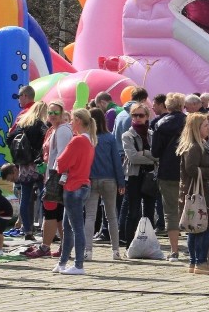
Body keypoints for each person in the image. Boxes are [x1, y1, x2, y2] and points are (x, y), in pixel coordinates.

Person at [177, 112, 209, 274]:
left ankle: (193, 262)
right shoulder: (195, 146)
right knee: (206, 225)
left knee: (195, 226)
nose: (208, 127)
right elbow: (191, 169)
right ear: (197, 128)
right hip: (199, 192)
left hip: (200, 191)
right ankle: (201, 262)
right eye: (205, 125)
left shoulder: (201, 143)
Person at [53, 108, 97, 275]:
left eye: (72, 120)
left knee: (76, 227)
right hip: (82, 185)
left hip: (74, 187)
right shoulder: (89, 141)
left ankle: (78, 265)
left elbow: (61, 162)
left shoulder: (78, 141)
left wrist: (60, 163)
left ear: (78, 120)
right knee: (68, 225)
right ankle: (63, 262)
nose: (71, 123)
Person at [26, 101, 70, 258]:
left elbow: (63, 156)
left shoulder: (63, 130)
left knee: (50, 211)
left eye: (55, 113)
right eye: (50, 113)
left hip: (56, 176)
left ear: (62, 113)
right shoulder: (53, 129)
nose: (52, 115)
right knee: (57, 213)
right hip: (51, 174)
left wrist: (60, 175)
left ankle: (45, 247)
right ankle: (64, 246)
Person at [85, 108, 126, 261]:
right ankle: (115, 251)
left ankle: (88, 251)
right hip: (109, 180)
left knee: (89, 216)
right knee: (112, 216)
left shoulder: (87, 138)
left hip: (91, 179)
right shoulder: (109, 138)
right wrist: (121, 181)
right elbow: (117, 161)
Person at [151, 92, 187, 261]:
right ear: (182, 105)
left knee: (170, 211)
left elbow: (155, 152)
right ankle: (195, 248)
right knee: (191, 208)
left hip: (167, 171)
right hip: (188, 170)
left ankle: (174, 251)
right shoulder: (190, 122)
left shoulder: (159, 124)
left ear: (167, 106)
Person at [6, 99, 48, 240]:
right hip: (37, 163)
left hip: (23, 164)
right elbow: (46, 142)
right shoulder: (41, 125)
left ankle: (27, 230)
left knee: (25, 197)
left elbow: (9, 138)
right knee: (44, 195)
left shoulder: (22, 123)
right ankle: (45, 227)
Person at [121, 103, 157, 244]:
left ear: (147, 117)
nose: (137, 118)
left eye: (141, 115)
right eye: (134, 115)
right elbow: (133, 157)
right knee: (133, 212)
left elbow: (158, 156)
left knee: (149, 212)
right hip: (134, 176)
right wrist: (150, 158)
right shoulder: (127, 135)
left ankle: (149, 243)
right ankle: (130, 243)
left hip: (150, 176)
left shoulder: (152, 134)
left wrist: (145, 153)